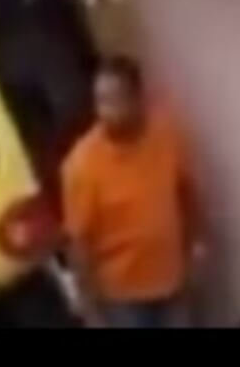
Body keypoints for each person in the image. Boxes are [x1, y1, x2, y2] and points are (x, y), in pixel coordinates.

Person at [61, 56, 205, 329]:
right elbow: (78, 245)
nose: (106, 111)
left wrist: (197, 244)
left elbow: (185, 190)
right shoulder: (82, 166)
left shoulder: (165, 136)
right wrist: (90, 310)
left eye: (115, 100)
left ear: (138, 98)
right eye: (100, 101)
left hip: (172, 282)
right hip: (123, 299)